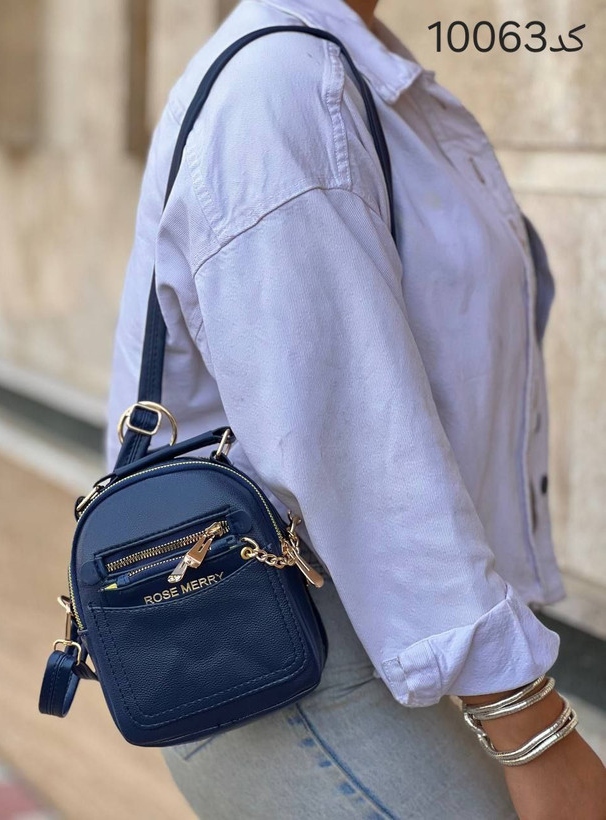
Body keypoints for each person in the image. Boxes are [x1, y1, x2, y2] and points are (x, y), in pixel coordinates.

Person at [107, 0, 606, 817]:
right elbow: (355, 443)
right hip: (289, 659)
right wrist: (531, 729)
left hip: (369, 634)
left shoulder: (355, 69)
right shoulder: (283, 88)